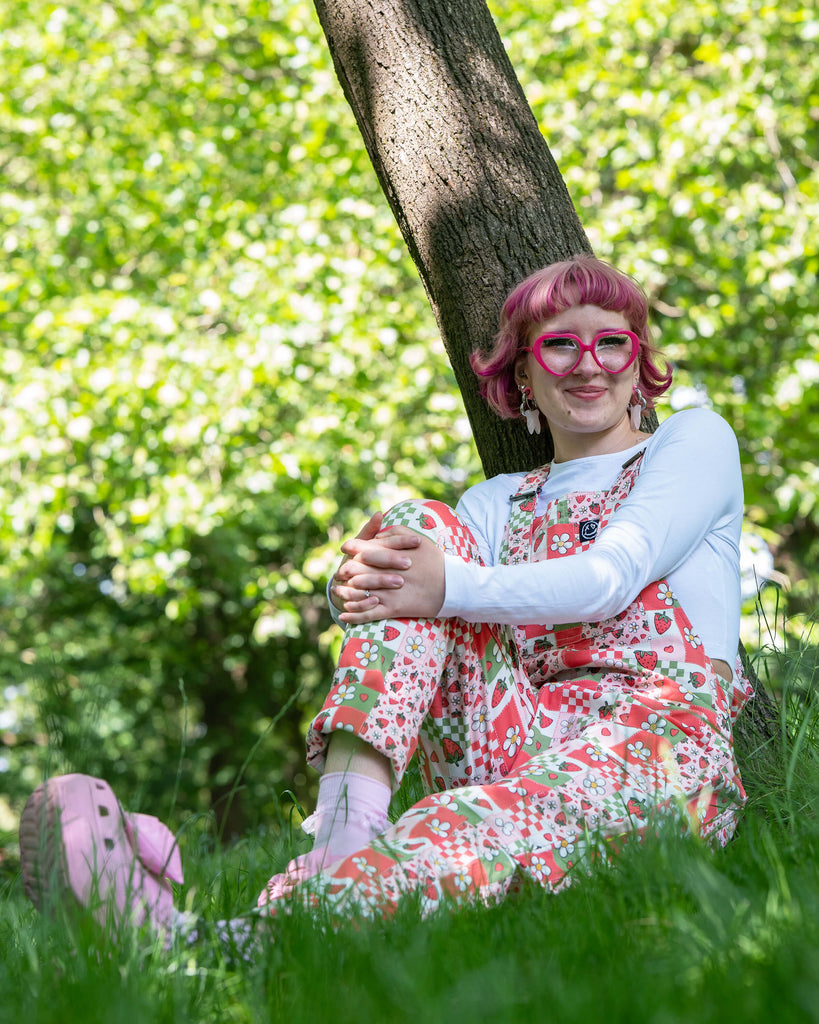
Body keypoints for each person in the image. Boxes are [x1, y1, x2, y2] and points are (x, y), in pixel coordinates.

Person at [20, 255, 753, 936]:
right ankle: (344, 836)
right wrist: (358, 594)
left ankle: (198, 938)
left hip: (653, 744)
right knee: (415, 525)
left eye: (612, 344)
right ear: (523, 376)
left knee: (473, 825)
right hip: (520, 737)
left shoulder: (688, 444)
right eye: (559, 344)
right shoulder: (496, 502)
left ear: (639, 364)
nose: (587, 364)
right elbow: (432, 606)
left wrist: (445, 586)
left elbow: (609, 578)